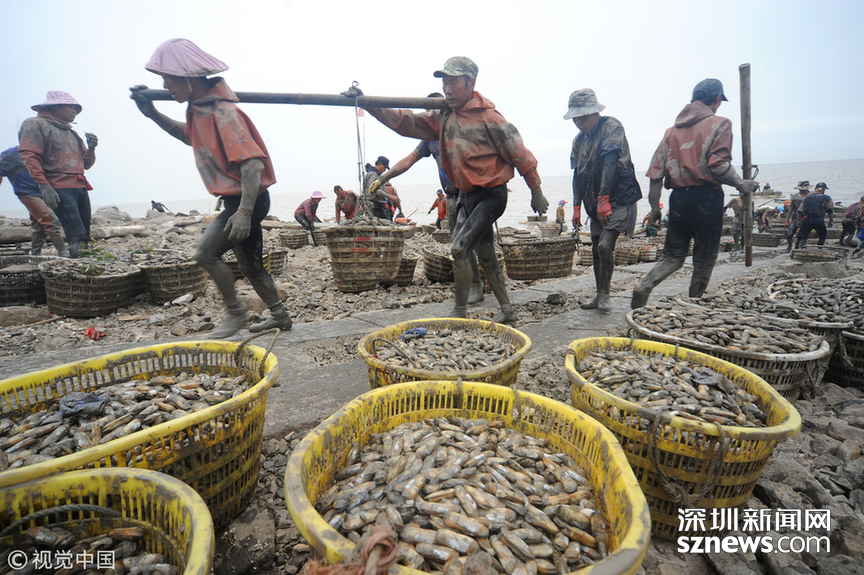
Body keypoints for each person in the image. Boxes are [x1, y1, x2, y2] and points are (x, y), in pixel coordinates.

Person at [364, 56, 549, 323]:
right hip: (466, 196)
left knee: (459, 249)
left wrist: (536, 190)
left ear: (470, 83)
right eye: (444, 83)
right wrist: (371, 105)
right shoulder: (442, 117)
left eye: (453, 83)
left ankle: (459, 313)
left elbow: (519, 153)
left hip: (492, 195)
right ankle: (508, 310)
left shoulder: (490, 118)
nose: (447, 89)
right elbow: (406, 123)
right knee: (484, 252)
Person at [130, 38, 292, 337]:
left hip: (248, 198)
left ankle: (235, 316)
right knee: (251, 266)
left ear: (190, 79)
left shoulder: (222, 113)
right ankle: (281, 317)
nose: (166, 85)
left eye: (169, 78)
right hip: (242, 199)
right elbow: (187, 136)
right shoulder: (198, 112)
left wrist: (243, 212)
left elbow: (253, 165)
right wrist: (151, 113)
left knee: (206, 253)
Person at [631, 78, 758, 309]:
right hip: (706, 199)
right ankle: (694, 302)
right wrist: (742, 184)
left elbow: (655, 173)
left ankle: (645, 286)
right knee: (705, 257)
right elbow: (718, 165)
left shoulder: (671, 132)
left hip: (678, 200)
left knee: (672, 256)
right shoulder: (720, 124)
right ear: (718, 99)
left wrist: (654, 209)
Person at [366, 92, 486, 303]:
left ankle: (479, 287)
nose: (431, 117)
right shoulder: (430, 139)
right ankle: (473, 284)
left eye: (435, 112)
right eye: (428, 112)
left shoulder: (460, 128)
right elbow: (408, 161)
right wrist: (384, 177)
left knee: (474, 243)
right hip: (451, 197)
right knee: (459, 242)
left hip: (472, 194)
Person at [565, 88, 642, 312]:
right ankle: (600, 294)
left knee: (606, 245)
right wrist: (577, 207)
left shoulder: (611, 126)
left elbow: (610, 162)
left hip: (618, 199)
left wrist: (604, 199)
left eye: (583, 116)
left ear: (595, 112)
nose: (579, 121)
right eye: (575, 117)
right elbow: (577, 176)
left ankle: (606, 295)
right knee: (598, 247)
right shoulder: (579, 141)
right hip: (594, 203)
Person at [18, 90, 97, 258]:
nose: (74, 111)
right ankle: (81, 271)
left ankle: (83, 265)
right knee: (77, 234)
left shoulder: (71, 133)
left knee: (85, 235)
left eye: (76, 108)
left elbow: (86, 165)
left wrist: (91, 149)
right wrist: (44, 185)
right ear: (56, 107)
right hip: (59, 187)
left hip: (79, 186)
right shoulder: (35, 124)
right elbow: (29, 156)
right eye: (70, 107)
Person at [0, 146, 69, 256]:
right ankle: (63, 252)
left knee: (40, 225)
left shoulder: (40, 152)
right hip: (27, 193)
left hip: (41, 193)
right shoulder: (11, 154)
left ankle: (35, 253)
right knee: (51, 220)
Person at [797, 181, 834, 248]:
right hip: (818, 220)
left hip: (807, 220)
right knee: (823, 235)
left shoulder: (807, 198)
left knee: (804, 237)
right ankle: (819, 249)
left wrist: (799, 222)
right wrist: (831, 221)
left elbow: (800, 211)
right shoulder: (827, 198)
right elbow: (830, 210)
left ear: (815, 189)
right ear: (823, 189)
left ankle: (801, 249)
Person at [363, 155, 397, 220]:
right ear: (380, 164)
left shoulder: (376, 175)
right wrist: (390, 196)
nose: (384, 170)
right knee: (387, 224)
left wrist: (390, 205)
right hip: (375, 208)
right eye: (384, 167)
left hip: (378, 206)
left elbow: (382, 190)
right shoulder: (373, 174)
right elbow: (373, 190)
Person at [785, 181, 811, 251]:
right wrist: (787, 219)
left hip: (806, 217)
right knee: (790, 233)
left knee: (801, 234)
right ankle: (790, 245)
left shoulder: (812, 195)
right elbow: (791, 208)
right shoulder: (794, 197)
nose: (802, 191)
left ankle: (797, 246)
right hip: (795, 217)